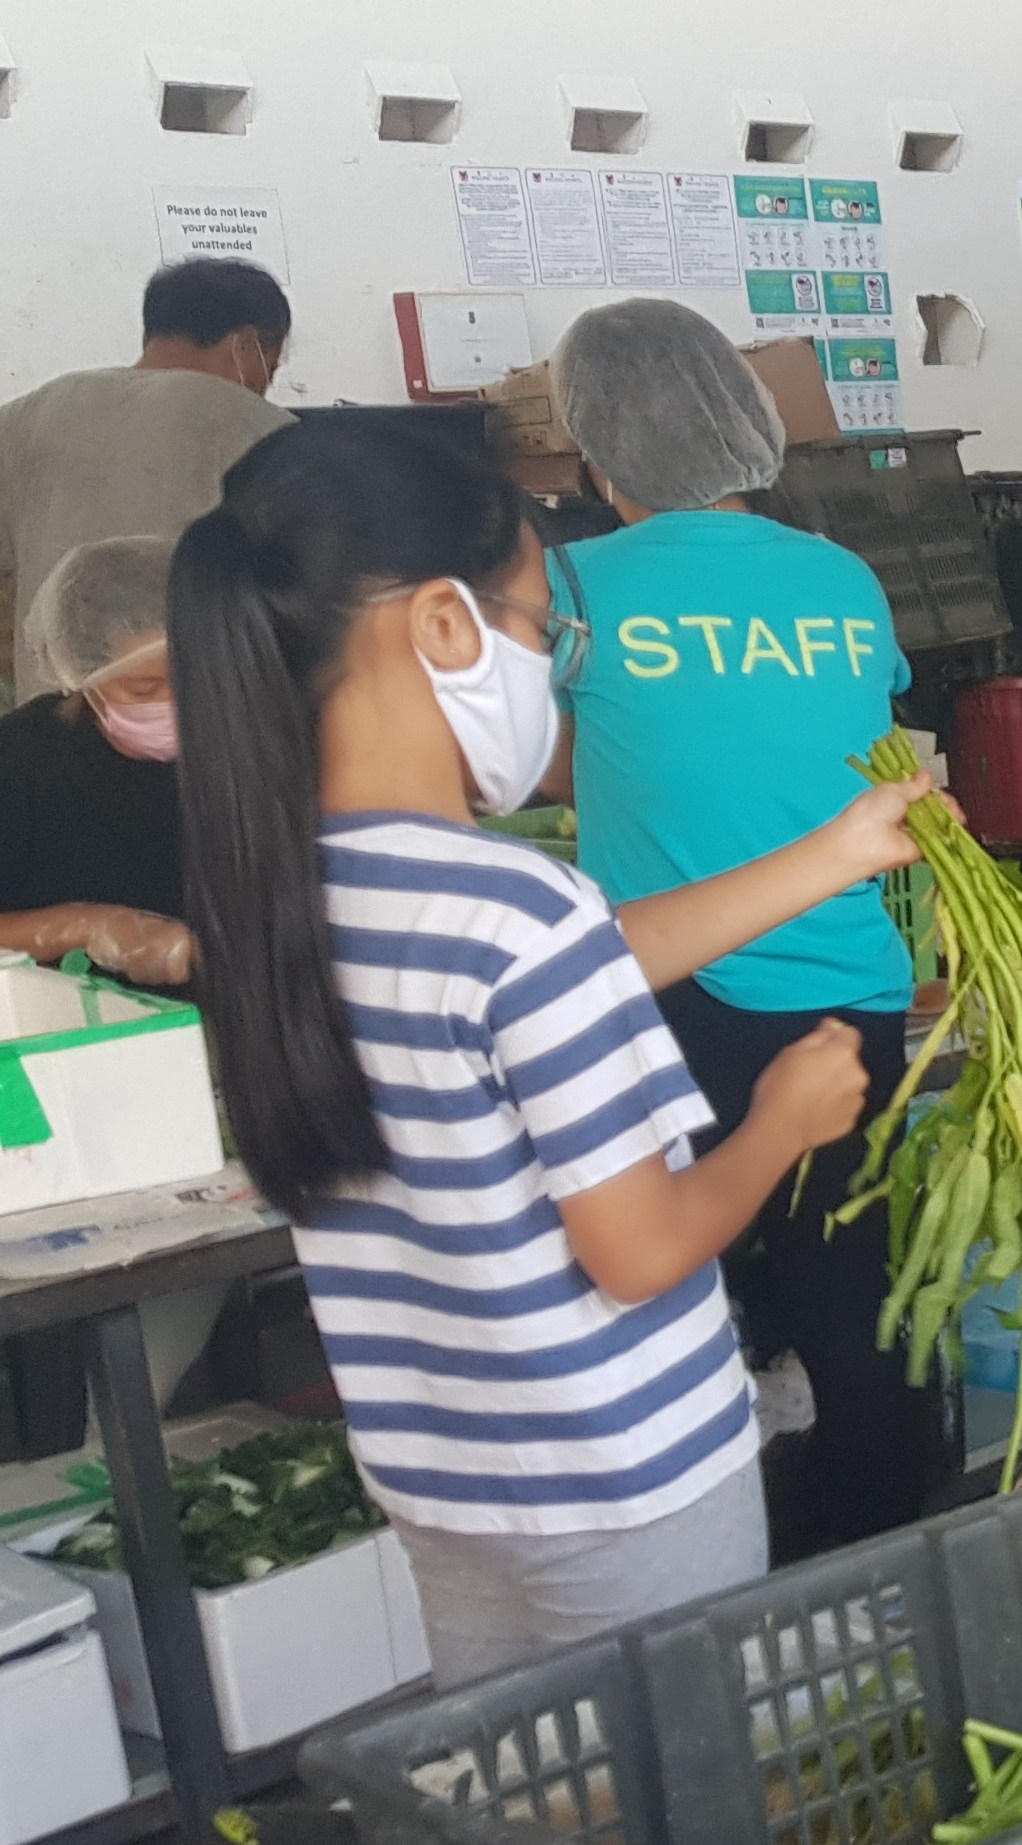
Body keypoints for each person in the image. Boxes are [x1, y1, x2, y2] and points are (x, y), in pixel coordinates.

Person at [167, 418, 932, 1682]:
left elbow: (581, 957)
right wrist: (781, 1124)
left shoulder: (287, 898)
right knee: (674, 1761)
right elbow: (642, 1251)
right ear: (442, 625)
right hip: (627, 1483)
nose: (551, 667)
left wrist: (836, 853)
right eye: (544, 632)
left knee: (530, 1765)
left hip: (443, 1484)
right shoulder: (524, 910)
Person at [531, 300, 937, 1559]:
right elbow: (848, 737)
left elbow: (543, 758)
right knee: (857, 1298)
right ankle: (875, 1563)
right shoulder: (841, 578)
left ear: (596, 449)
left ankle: (718, 1555)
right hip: (852, 988)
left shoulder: (575, 586)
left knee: (678, 1283)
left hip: (663, 993)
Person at [1, 259, 297, 701]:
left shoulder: (28, 415)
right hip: (197, 712)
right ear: (244, 345)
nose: (265, 384)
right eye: (270, 367)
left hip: (50, 712)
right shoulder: (266, 430)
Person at [0, 538, 192, 987]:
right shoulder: (22, 761)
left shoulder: (241, 752)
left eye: (191, 681)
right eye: (144, 690)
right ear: (84, 673)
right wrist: (82, 927)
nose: (175, 704)